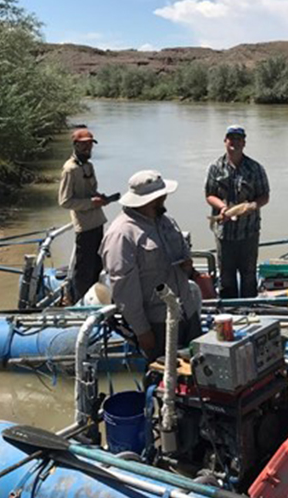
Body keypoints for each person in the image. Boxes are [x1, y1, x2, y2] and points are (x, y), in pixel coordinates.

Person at [100, 170, 202, 357]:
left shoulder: (166, 222)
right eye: (161, 196)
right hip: (158, 322)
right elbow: (124, 288)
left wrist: (188, 267)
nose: (165, 199)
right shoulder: (122, 234)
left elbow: (182, 255)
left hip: (187, 312)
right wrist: (142, 330)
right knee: (165, 376)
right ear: (149, 200)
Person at [205, 125, 270, 298]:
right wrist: (223, 208)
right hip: (223, 232)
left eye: (239, 139)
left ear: (244, 142)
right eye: (231, 138)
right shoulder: (215, 167)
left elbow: (265, 195)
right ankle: (229, 310)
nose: (235, 142)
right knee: (226, 275)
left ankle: (249, 308)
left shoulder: (255, 168)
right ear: (225, 141)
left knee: (249, 274)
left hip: (249, 232)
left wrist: (253, 206)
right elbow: (209, 195)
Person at [58, 128, 108, 303]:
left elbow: (90, 192)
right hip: (84, 225)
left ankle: (96, 299)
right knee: (84, 269)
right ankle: (80, 302)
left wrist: (101, 199)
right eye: (83, 144)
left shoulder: (88, 166)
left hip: (97, 221)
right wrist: (90, 203)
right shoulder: (69, 169)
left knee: (97, 265)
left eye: (89, 144)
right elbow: (65, 201)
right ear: (75, 145)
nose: (87, 147)